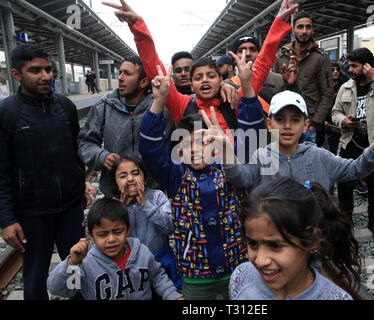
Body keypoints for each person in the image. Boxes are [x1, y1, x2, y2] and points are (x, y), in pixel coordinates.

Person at [136, 44, 267, 299]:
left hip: (239, 267)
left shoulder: (230, 168)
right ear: (178, 152)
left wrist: (248, 85)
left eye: (205, 141)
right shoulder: (175, 176)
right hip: (195, 276)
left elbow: (254, 135)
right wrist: (158, 101)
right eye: (187, 143)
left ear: (217, 145)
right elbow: (149, 148)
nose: (196, 149)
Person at [103, 0, 298, 134]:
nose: (204, 80)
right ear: (192, 86)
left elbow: (263, 63)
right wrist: (138, 27)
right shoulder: (182, 104)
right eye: (198, 77)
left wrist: (280, 21)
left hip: (234, 183)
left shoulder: (237, 97)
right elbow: (156, 69)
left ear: (221, 80)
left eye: (210, 76)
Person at [0, 44, 86, 300]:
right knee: (35, 276)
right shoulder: (8, 113)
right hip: (31, 213)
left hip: (69, 209)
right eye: (35, 70)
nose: (45, 76)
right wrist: (6, 219)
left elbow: (75, 154)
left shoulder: (65, 107)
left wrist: (80, 187)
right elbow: (1, 172)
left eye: (48, 69)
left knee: (77, 269)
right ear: (17, 75)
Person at [221, 90, 374, 197]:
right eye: (280, 119)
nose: (288, 126)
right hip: (274, 241)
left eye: (295, 120)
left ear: (305, 125)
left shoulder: (319, 156)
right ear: (269, 124)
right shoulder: (261, 157)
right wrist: (227, 154)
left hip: (314, 244)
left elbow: (356, 169)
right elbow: (240, 179)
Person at [228, 176, 359, 300]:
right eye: (253, 244)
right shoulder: (242, 277)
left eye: (275, 246)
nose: (260, 261)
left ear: (312, 241)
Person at [47, 197, 183, 300]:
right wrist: (72, 263)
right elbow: (59, 289)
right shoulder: (85, 264)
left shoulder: (142, 253)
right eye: (103, 234)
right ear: (91, 236)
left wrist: (174, 296)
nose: (111, 239)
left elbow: (158, 278)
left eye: (117, 232)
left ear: (128, 230)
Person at [331, 47, 374, 238]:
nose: (350, 70)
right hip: (350, 144)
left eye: (354, 66)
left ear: (367, 66)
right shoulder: (346, 87)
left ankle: (373, 220)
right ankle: (347, 221)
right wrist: (344, 121)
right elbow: (335, 113)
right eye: (349, 65)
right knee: (345, 185)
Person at [78, 56, 155, 198]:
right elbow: (85, 143)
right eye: (120, 72)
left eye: (127, 73)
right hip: (114, 193)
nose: (120, 78)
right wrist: (102, 156)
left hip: (152, 192)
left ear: (144, 82)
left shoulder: (158, 107)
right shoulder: (104, 106)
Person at [111, 155, 182, 291]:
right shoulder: (112, 205)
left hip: (160, 261)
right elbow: (110, 233)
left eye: (135, 173)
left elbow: (169, 227)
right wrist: (121, 209)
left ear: (146, 178)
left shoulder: (157, 197)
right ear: (115, 182)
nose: (130, 179)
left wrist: (145, 204)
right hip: (128, 265)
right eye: (123, 176)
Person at [274, 10, 334, 144]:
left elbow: (327, 94)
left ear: (312, 30)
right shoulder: (281, 57)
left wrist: (314, 124)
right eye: (300, 27)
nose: (304, 31)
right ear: (293, 30)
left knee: (308, 163)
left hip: (309, 123)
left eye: (308, 27)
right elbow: (275, 90)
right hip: (284, 122)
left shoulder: (320, 58)